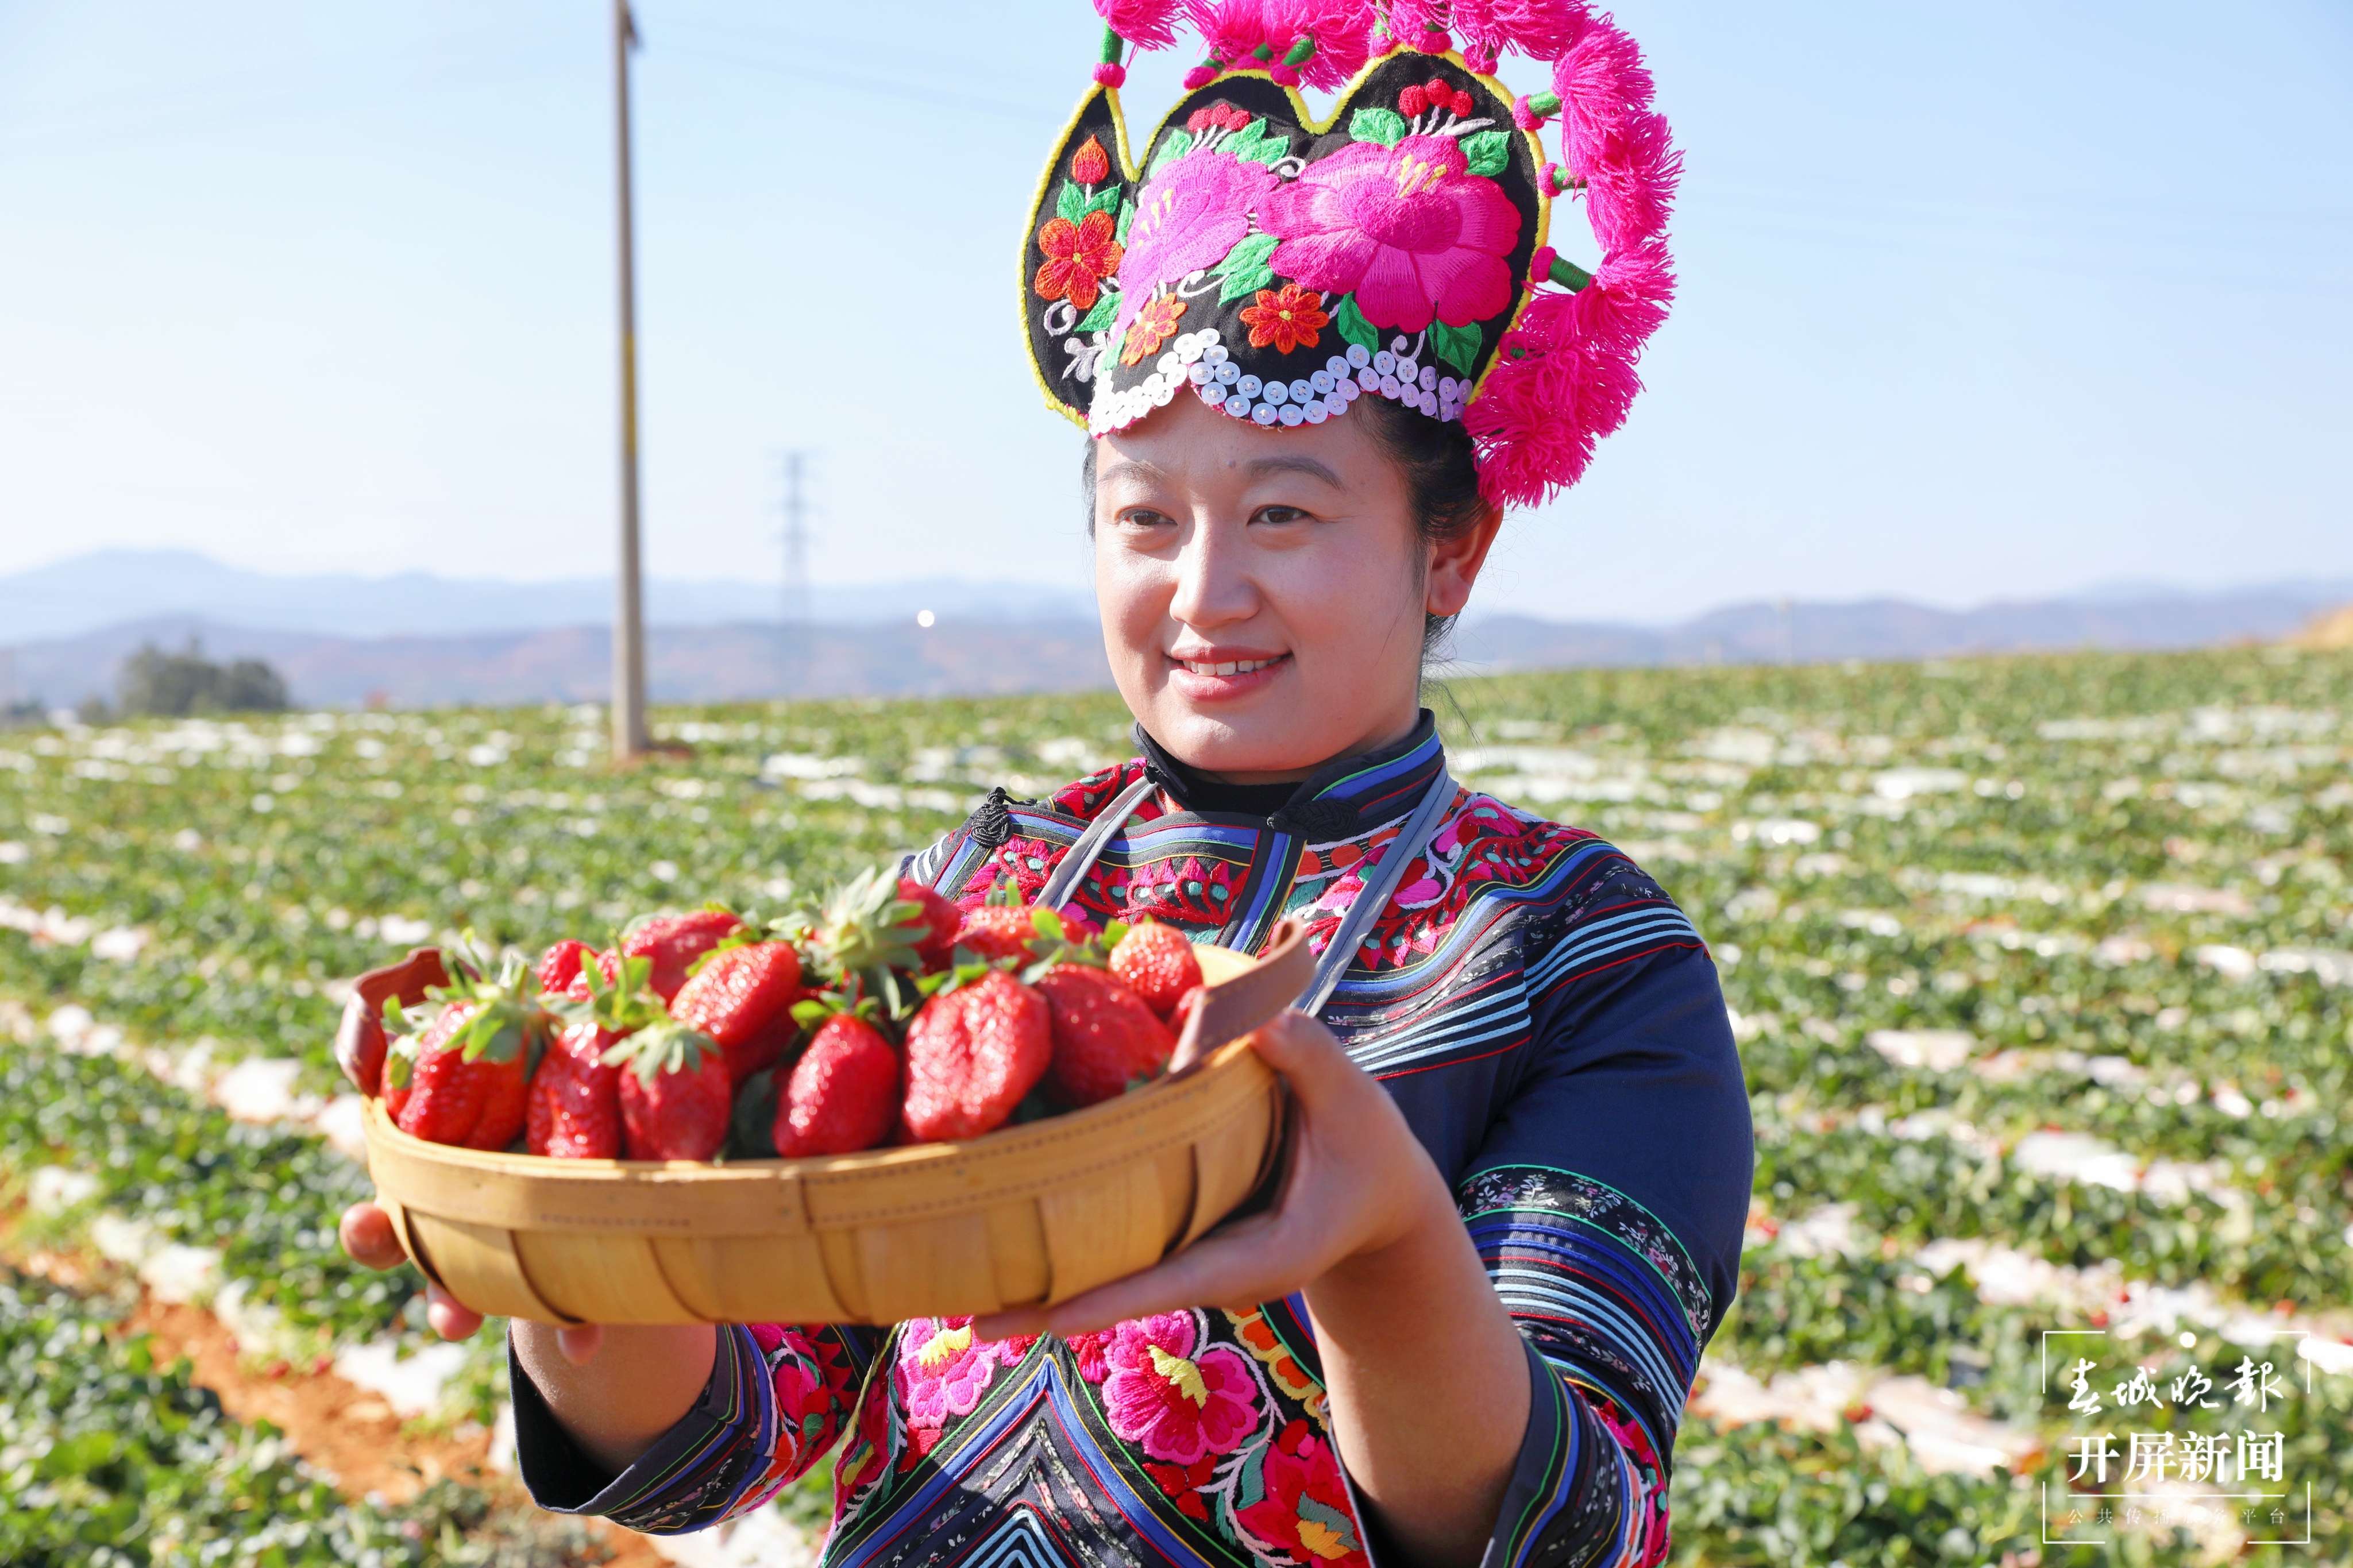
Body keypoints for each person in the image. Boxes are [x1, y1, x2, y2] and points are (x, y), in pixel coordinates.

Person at [342, 6, 1746, 1566]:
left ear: (1451, 550)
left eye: (1284, 513)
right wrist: (579, 1276)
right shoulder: (978, 890)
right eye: (1145, 519)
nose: (1205, 594)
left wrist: (1387, 1239)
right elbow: (757, 1398)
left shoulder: (1577, 956)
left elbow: (1568, 1527)